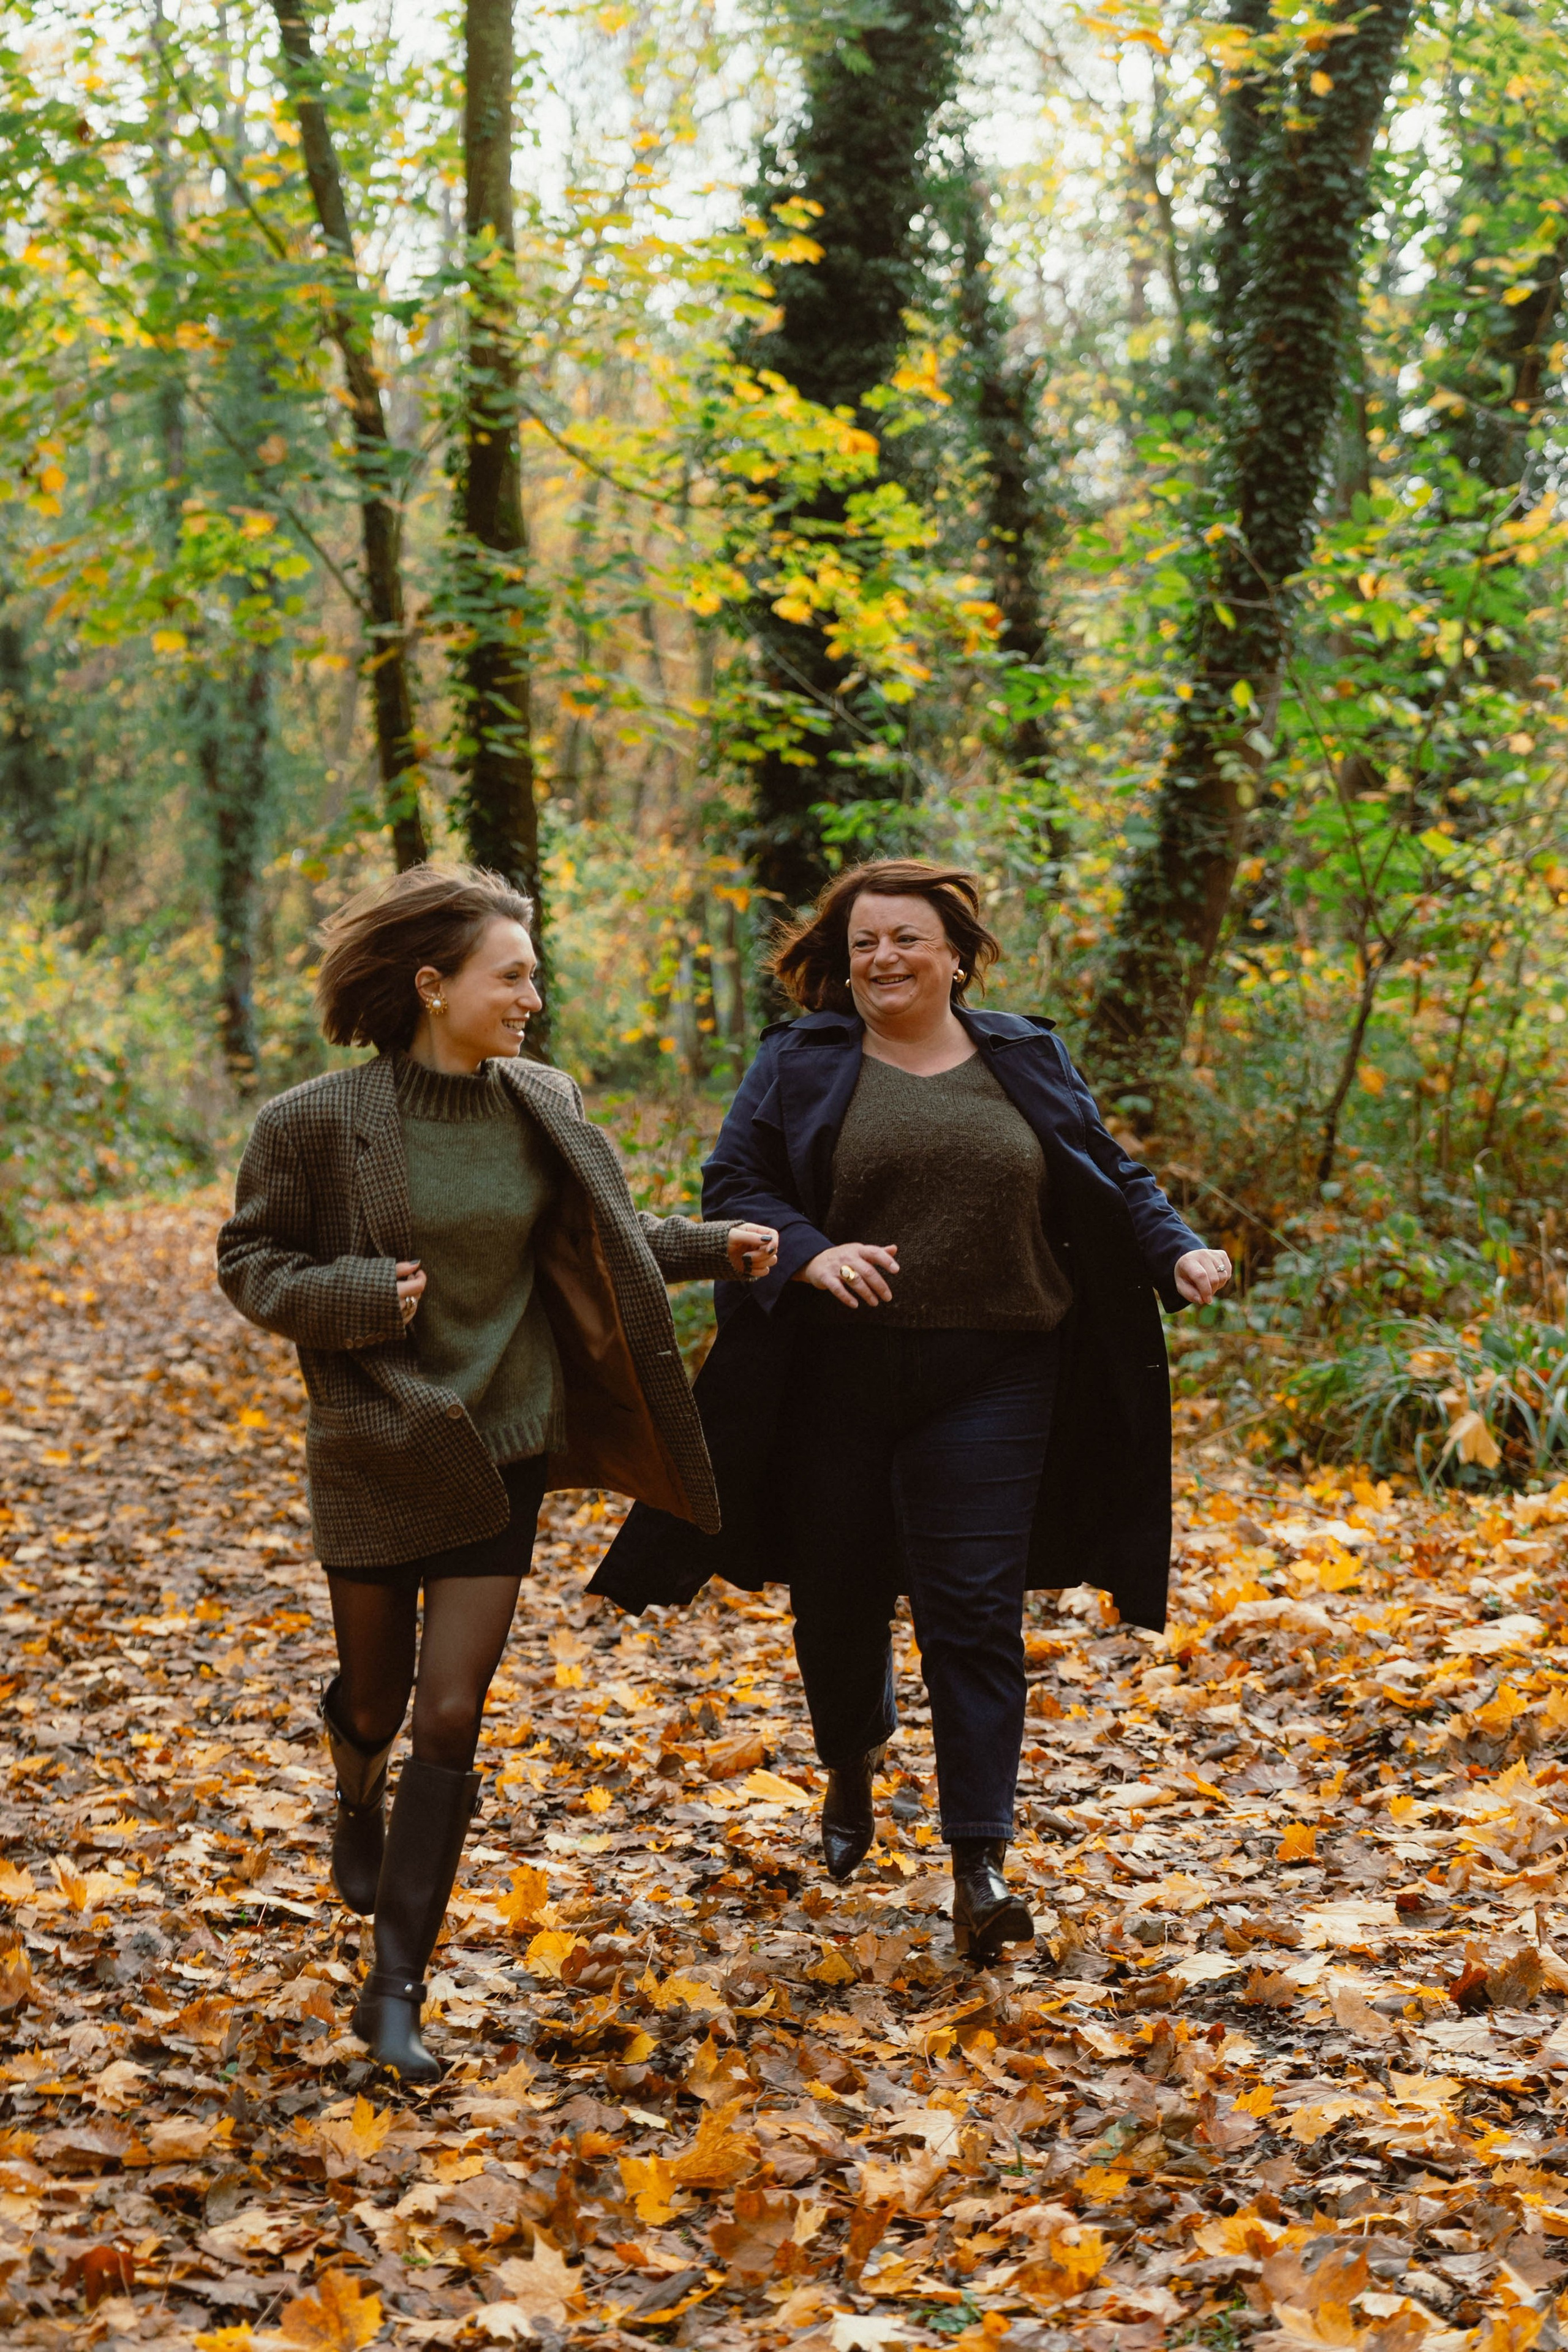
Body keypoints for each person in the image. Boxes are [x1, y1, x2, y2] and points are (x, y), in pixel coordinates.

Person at [590, 859, 1231, 1962]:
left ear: (958, 955)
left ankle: (979, 1863)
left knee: (971, 1612)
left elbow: (1108, 1171)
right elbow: (735, 1186)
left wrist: (1176, 1250)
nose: (883, 960)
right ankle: (851, 1760)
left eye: (906, 940)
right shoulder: (800, 1061)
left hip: (998, 1371)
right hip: (833, 1376)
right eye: (864, 946)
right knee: (840, 1601)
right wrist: (809, 1252)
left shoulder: (1026, 1054)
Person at [216, 865, 777, 2079]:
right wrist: (355, 1295)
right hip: (379, 1440)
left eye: (530, 975)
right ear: (434, 985)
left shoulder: (541, 1099)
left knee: (453, 1710)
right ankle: (353, 1788)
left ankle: (394, 1992)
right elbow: (250, 1258)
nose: (531, 996)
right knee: (374, 1701)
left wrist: (709, 1248)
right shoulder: (316, 1122)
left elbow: (602, 1241)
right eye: (510, 975)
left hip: (502, 1445)